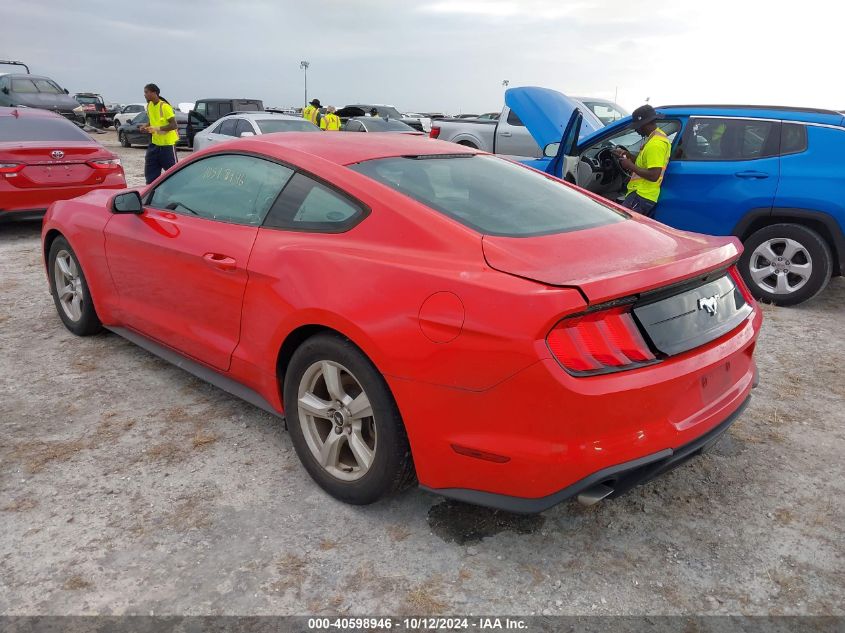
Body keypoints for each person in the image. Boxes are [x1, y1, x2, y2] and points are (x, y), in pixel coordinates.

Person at [612, 104, 672, 217]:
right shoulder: (655, 138)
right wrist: (628, 155)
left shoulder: (655, 144)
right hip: (642, 194)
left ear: (645, 124)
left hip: (641, 195)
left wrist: (630, 166)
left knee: (623, 227)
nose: (636, 129)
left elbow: (654, 175)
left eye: (637, 126)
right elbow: (645, 163)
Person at [139, 83, 179, 185]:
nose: (145, 95)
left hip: (167, 146)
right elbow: (152, 121)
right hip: (154, 145)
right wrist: (145, 126)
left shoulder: (165, 107)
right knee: (150, 176)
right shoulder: (149, 106)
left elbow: (174, 125)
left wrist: (157, 129)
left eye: (146, 92)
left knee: (174, 174)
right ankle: (151, 194)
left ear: (154, 93)